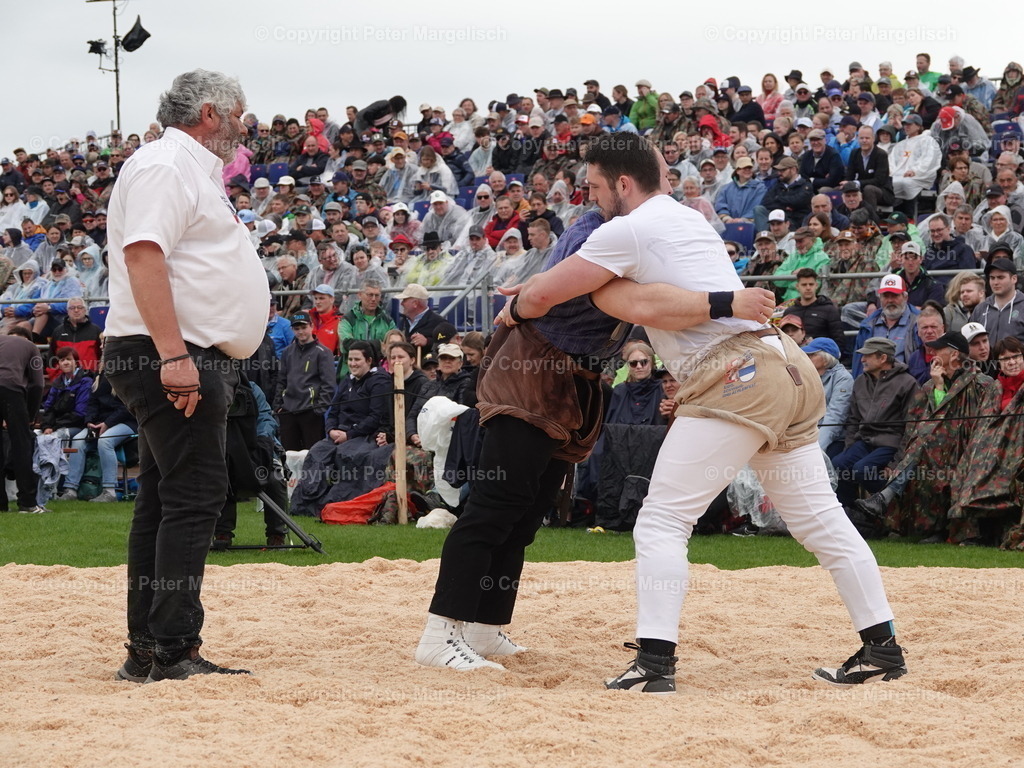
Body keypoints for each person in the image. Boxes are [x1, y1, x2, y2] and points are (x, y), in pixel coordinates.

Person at [499, 133, 903, 691]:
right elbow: (639, 301)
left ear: (622, 183)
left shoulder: (625, 230)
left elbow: (551, 299)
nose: (590, 199)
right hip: (784, 364)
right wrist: (553, 285)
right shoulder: (689, 220)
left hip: (733, 375)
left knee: (663, 519)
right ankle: (882, 650)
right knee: (822, 522)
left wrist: (518, 302)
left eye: (594, 187)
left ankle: (655, 663)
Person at [103, 70, 270, 682]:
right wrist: (175, 356)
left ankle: (148, 647)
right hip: (170, 353)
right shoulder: (166, 164)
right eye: (241, 112)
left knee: (163, 497)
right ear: (210, 111)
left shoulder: (182, 168)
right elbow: (144, 253)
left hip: (172, 350)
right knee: (195, 495)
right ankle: (172, 647)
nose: (246, 123)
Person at [58, 368, 138, 503]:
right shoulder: (100, 374)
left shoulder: (128, 373)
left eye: (103, 345)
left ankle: (110, 491)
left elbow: (127, 407)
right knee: (78, 440)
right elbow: (92, 402)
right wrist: (89, 421)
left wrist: (107, 424)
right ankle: (70, 489)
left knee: (105, 441)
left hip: (127, 422)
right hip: (100, 422)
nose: (101, 346)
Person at [274, 311, 335, 450]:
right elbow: (281, 380)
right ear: (292, 330)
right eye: (297, 328)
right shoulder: (287, 352)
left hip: (311, 412)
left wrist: (318, 409)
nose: (301, 331)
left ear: (311, 326)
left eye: (303, 327)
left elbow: (329, 384)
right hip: (288, 412)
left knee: (312, 455)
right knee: (289, 456)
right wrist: (278, 406)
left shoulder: (323, 352)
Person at [0, 328, 45, 513]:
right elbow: (37, 384)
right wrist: (31, 416)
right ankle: (27, 503)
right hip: (11, 389)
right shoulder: (32, 348)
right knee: (22, 447)